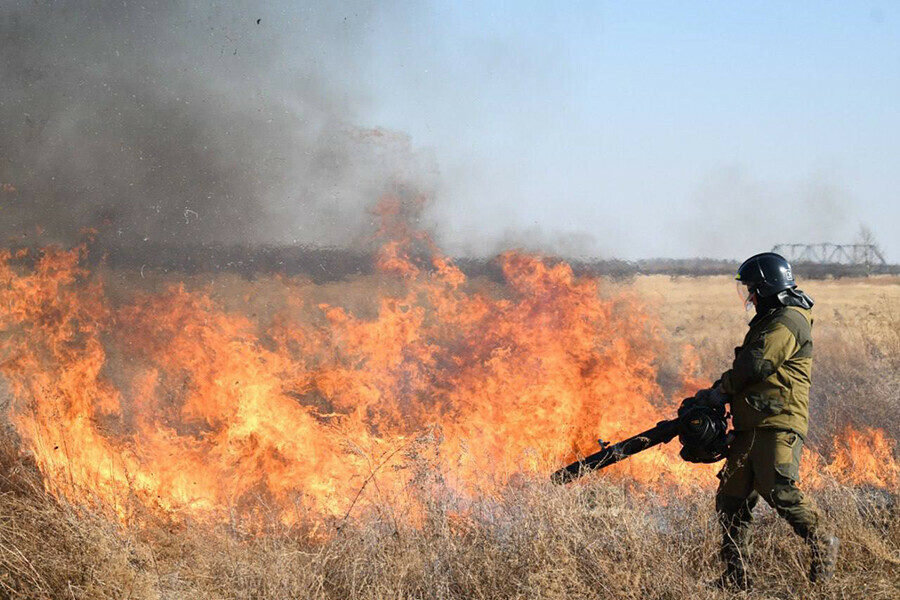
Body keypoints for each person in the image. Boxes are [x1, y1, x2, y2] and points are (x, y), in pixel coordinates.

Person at [686, 252, 839, 589]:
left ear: (767, 288)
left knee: (780, 491)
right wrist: (717, 392)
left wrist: (721, 389)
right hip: (750, 425)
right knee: (731, 500)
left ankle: (824, 544)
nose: (750, 297)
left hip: (777, 422)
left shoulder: (789, 320)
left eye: (753, 289)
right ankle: (736, 578)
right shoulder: (770, 319)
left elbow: (756, 364)